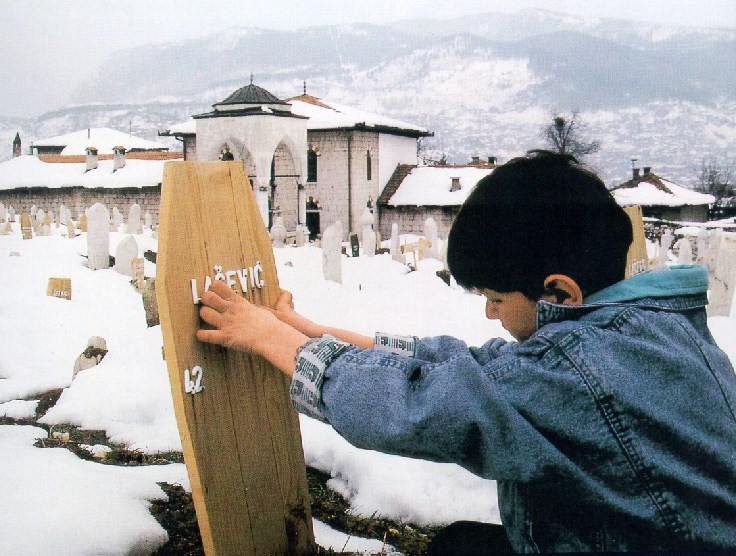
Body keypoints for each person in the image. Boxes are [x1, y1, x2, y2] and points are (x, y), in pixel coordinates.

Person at [196, 151, 736, 553]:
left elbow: (418, 407)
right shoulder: (644, 332)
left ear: (558, 292)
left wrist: (266, 336)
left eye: (497, 299)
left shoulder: (577, 371)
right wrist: (313, 333)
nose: (489, 315)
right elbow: (478, 369)